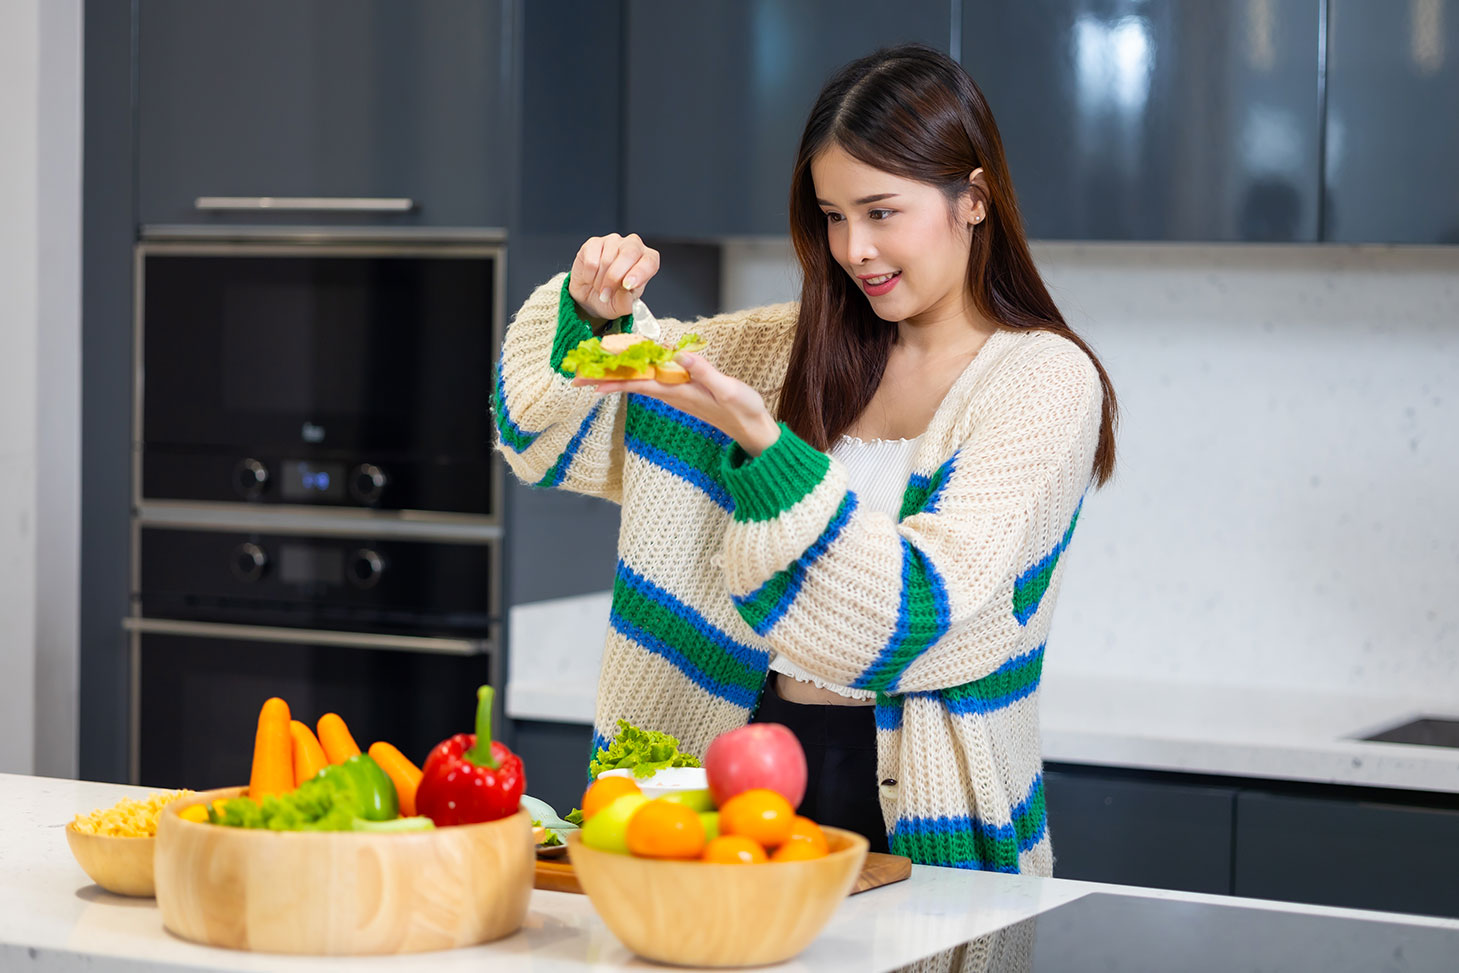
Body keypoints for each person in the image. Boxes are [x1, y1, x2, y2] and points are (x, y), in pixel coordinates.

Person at [493, 43, 1117, 874]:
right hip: (731, 770)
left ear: (972, 199)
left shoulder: (1043, 380)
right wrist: (588, 314)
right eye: (831, 215)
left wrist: (767, 449)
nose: (853, 247)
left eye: (880, 211)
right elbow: (545, 440)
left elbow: (914, 612)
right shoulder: (780, 350)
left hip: (923, 802)